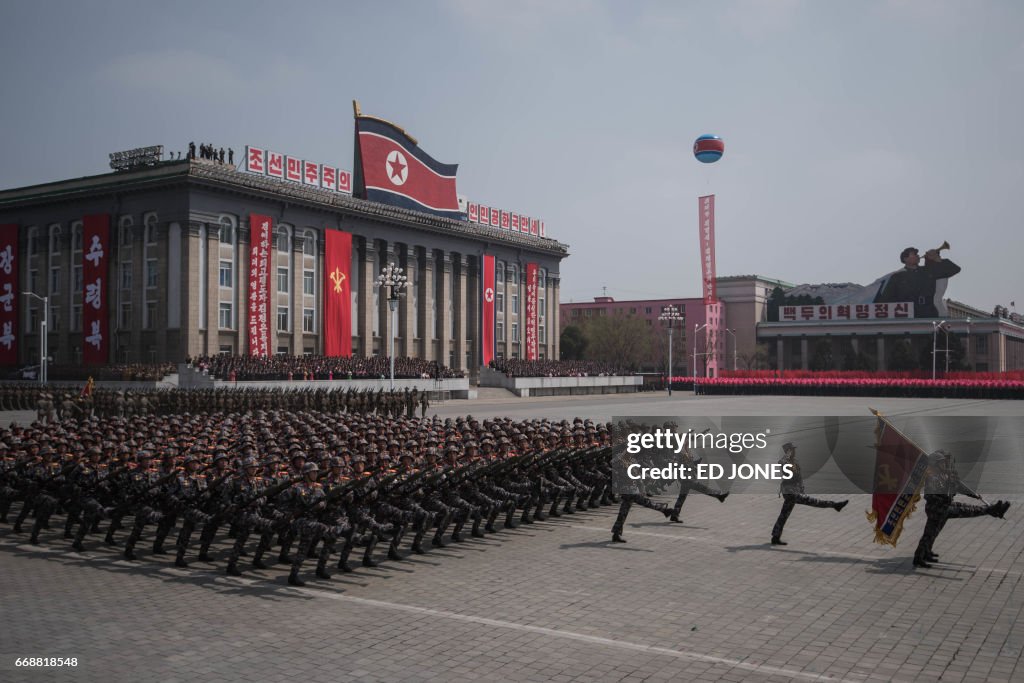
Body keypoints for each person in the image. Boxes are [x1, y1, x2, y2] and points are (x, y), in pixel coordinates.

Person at [912, 451, 1010, 568]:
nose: (944, 465)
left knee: (933, 532)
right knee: (930, 533)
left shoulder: (945, 475)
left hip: (945, 507)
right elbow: (929, 496)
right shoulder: (932, 478)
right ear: (935, 464)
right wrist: (944, 496)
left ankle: (926, 553)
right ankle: (918, 558)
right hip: (937, 510)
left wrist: (973, 495)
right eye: (941, 463)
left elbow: (959, 486)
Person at [770, 442, 848, 546]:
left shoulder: (795, 462)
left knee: (784, 514)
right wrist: (787, 454)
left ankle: (775, 537)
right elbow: (781, 462)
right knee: (813, 501)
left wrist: (802, 488)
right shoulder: (785, 462)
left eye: (793, 449)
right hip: (789, 492)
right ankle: (834, 505)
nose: (794, 451)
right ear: (788, 451)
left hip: (795, 491)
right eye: (792, 450)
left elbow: (799, 476)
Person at [876, 246, 960, 318]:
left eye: (917, 254)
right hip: (906, 315)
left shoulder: (928, 271)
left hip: (928, 312)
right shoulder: (897, 277)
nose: (918, 256)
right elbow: (885, 300)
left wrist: (937, 259)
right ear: (905, 259)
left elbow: (954, 269)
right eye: (914, 254)